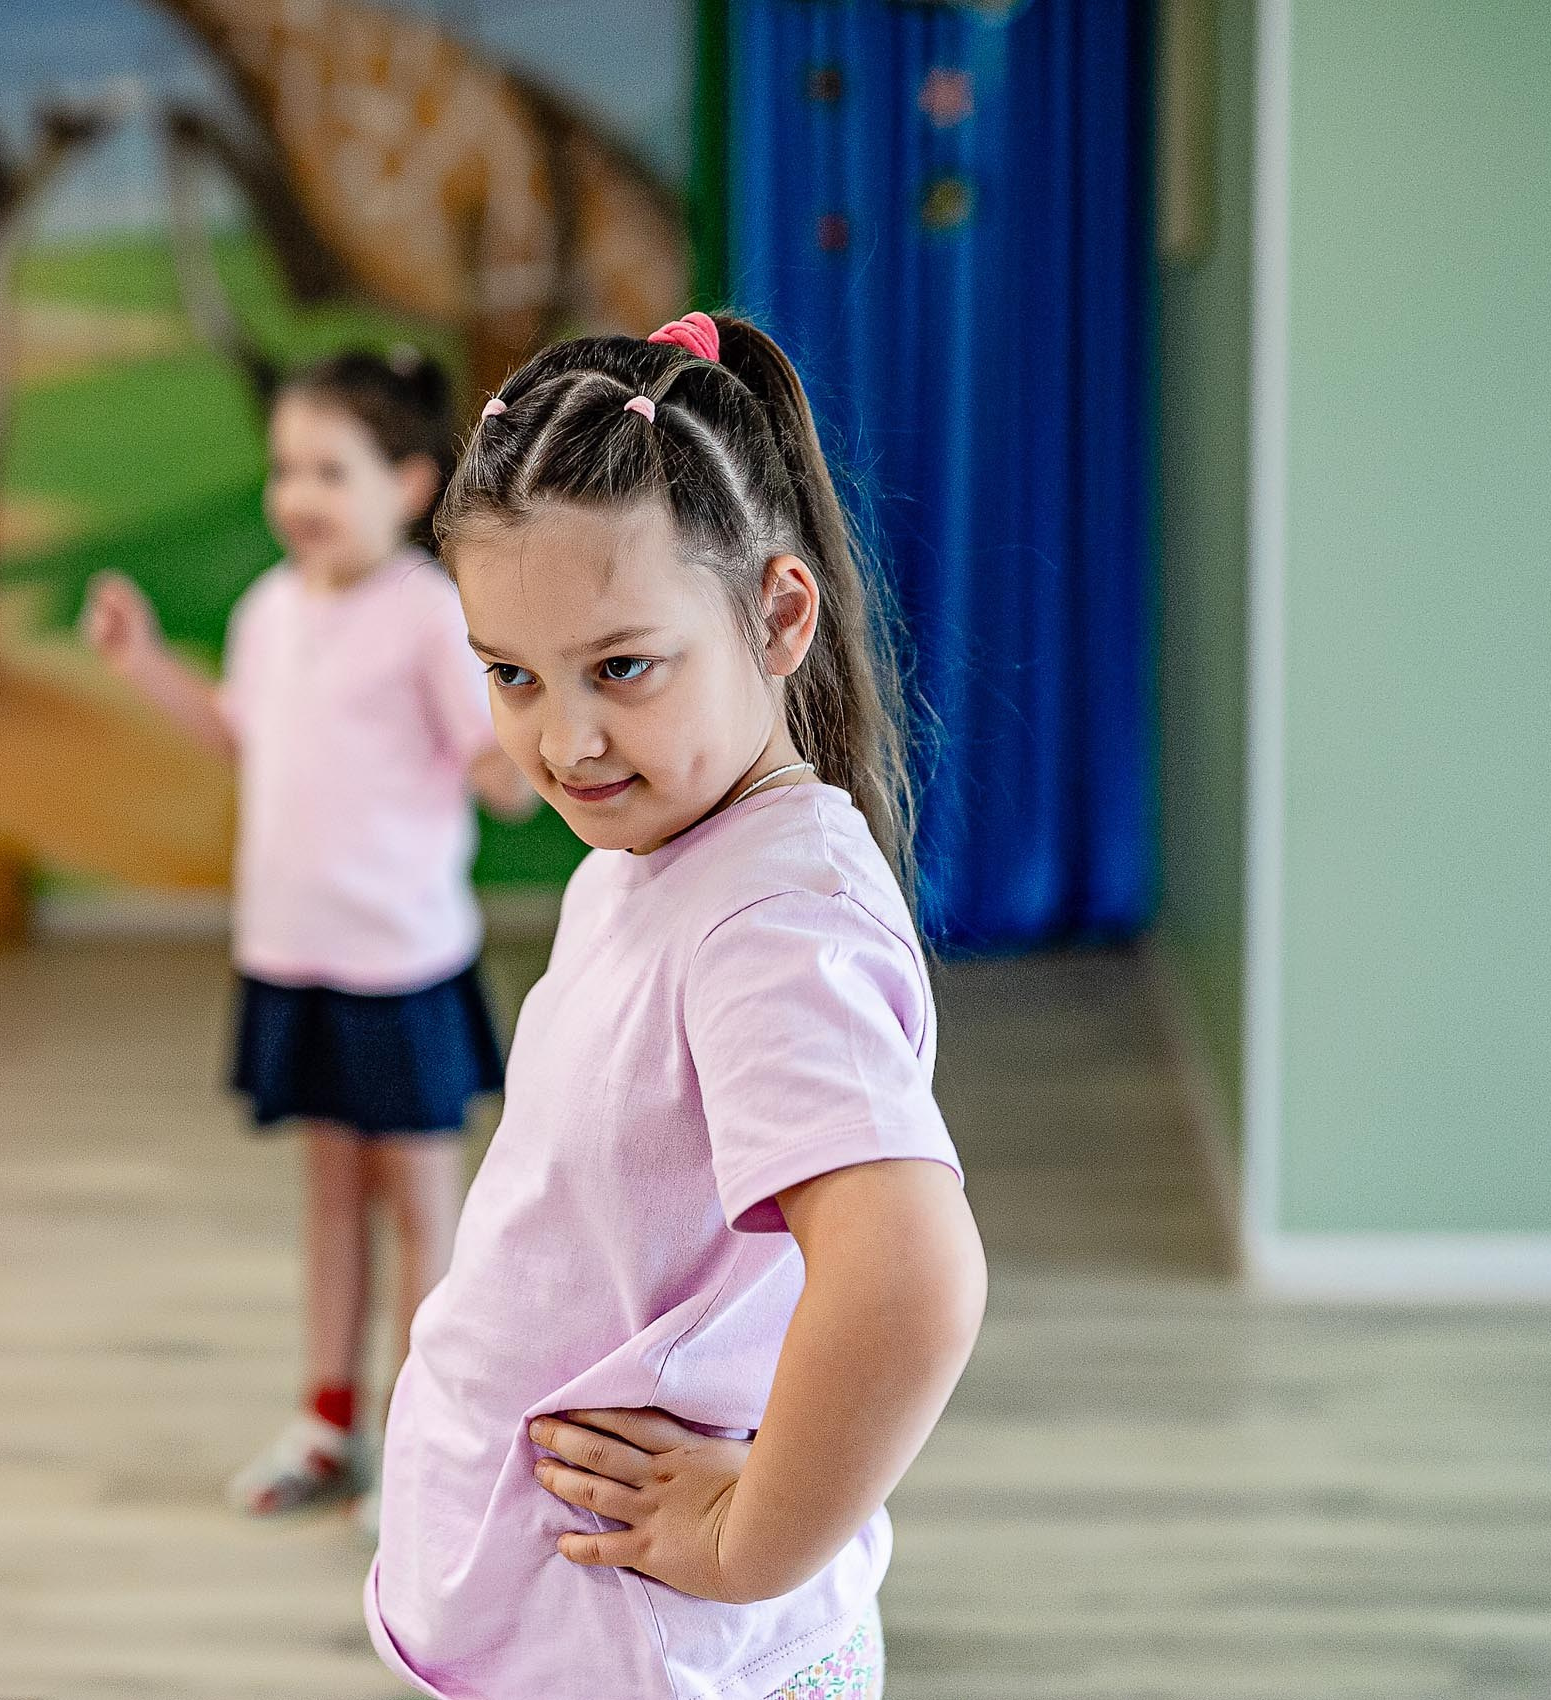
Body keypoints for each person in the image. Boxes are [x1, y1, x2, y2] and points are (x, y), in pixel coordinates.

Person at [365, 312, 987, 1699]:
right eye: (510, 673)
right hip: (555, 1620)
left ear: (776, 614)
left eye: (620, 667)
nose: (562, 739)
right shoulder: (661, 853)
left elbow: (909, 1281)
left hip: (642, 1649)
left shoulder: (769, 924)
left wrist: (747, 1538)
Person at [82, 347, 535, 1520]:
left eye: (331, 468)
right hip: (293, 957)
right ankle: (327, 1422)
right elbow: (244, 734)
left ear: (408, 482)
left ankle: (425, 1443)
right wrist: (140, 665)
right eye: (288, 467)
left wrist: (535, 746)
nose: (300, 494)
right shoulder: (267, 611)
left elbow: (493, 767)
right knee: (329, 1197)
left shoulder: (432, 616)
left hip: (404, 963)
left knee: (419, 1207)